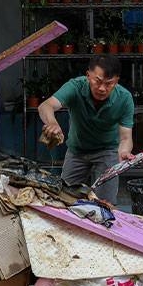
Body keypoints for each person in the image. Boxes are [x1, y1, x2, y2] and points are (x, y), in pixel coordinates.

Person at [38, 55, 134, 204]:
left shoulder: (125, 98)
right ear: (88, 75)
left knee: (105, 205)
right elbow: (46, 106)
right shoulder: (75, 87)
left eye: (109, 84)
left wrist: (124, 152)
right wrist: (52, 123)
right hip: (77, 151)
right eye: (98, 81)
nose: (102, 88)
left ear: (116, 81)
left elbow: (126, 138)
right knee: (63, 198)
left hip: (107, 151)